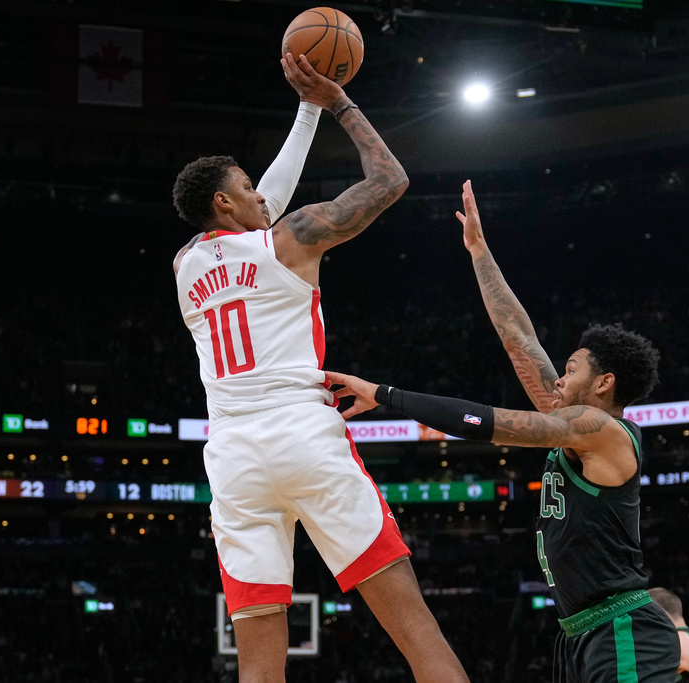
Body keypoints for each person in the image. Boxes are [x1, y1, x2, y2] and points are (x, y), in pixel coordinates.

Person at [171, 54, 469, 683]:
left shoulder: (186, 265)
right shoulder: (291, 240)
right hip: (303, 438)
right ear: (226, 201)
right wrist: (336, 103)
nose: (264, 195)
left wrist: (302, 111)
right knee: (418, 634)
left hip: (232, 461)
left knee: (257, 668)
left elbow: (260, 209)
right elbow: (391, 181)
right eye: (249, 188)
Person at [326, 179, 679, 682]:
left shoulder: (597, 427)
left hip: (619, 624)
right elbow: (519, 337)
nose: (559, 375)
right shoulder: (571, 422)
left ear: (604, 383)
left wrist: (385, 394)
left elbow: (481, 422)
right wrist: (479, 251)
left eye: (572, 368)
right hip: (579, 630)